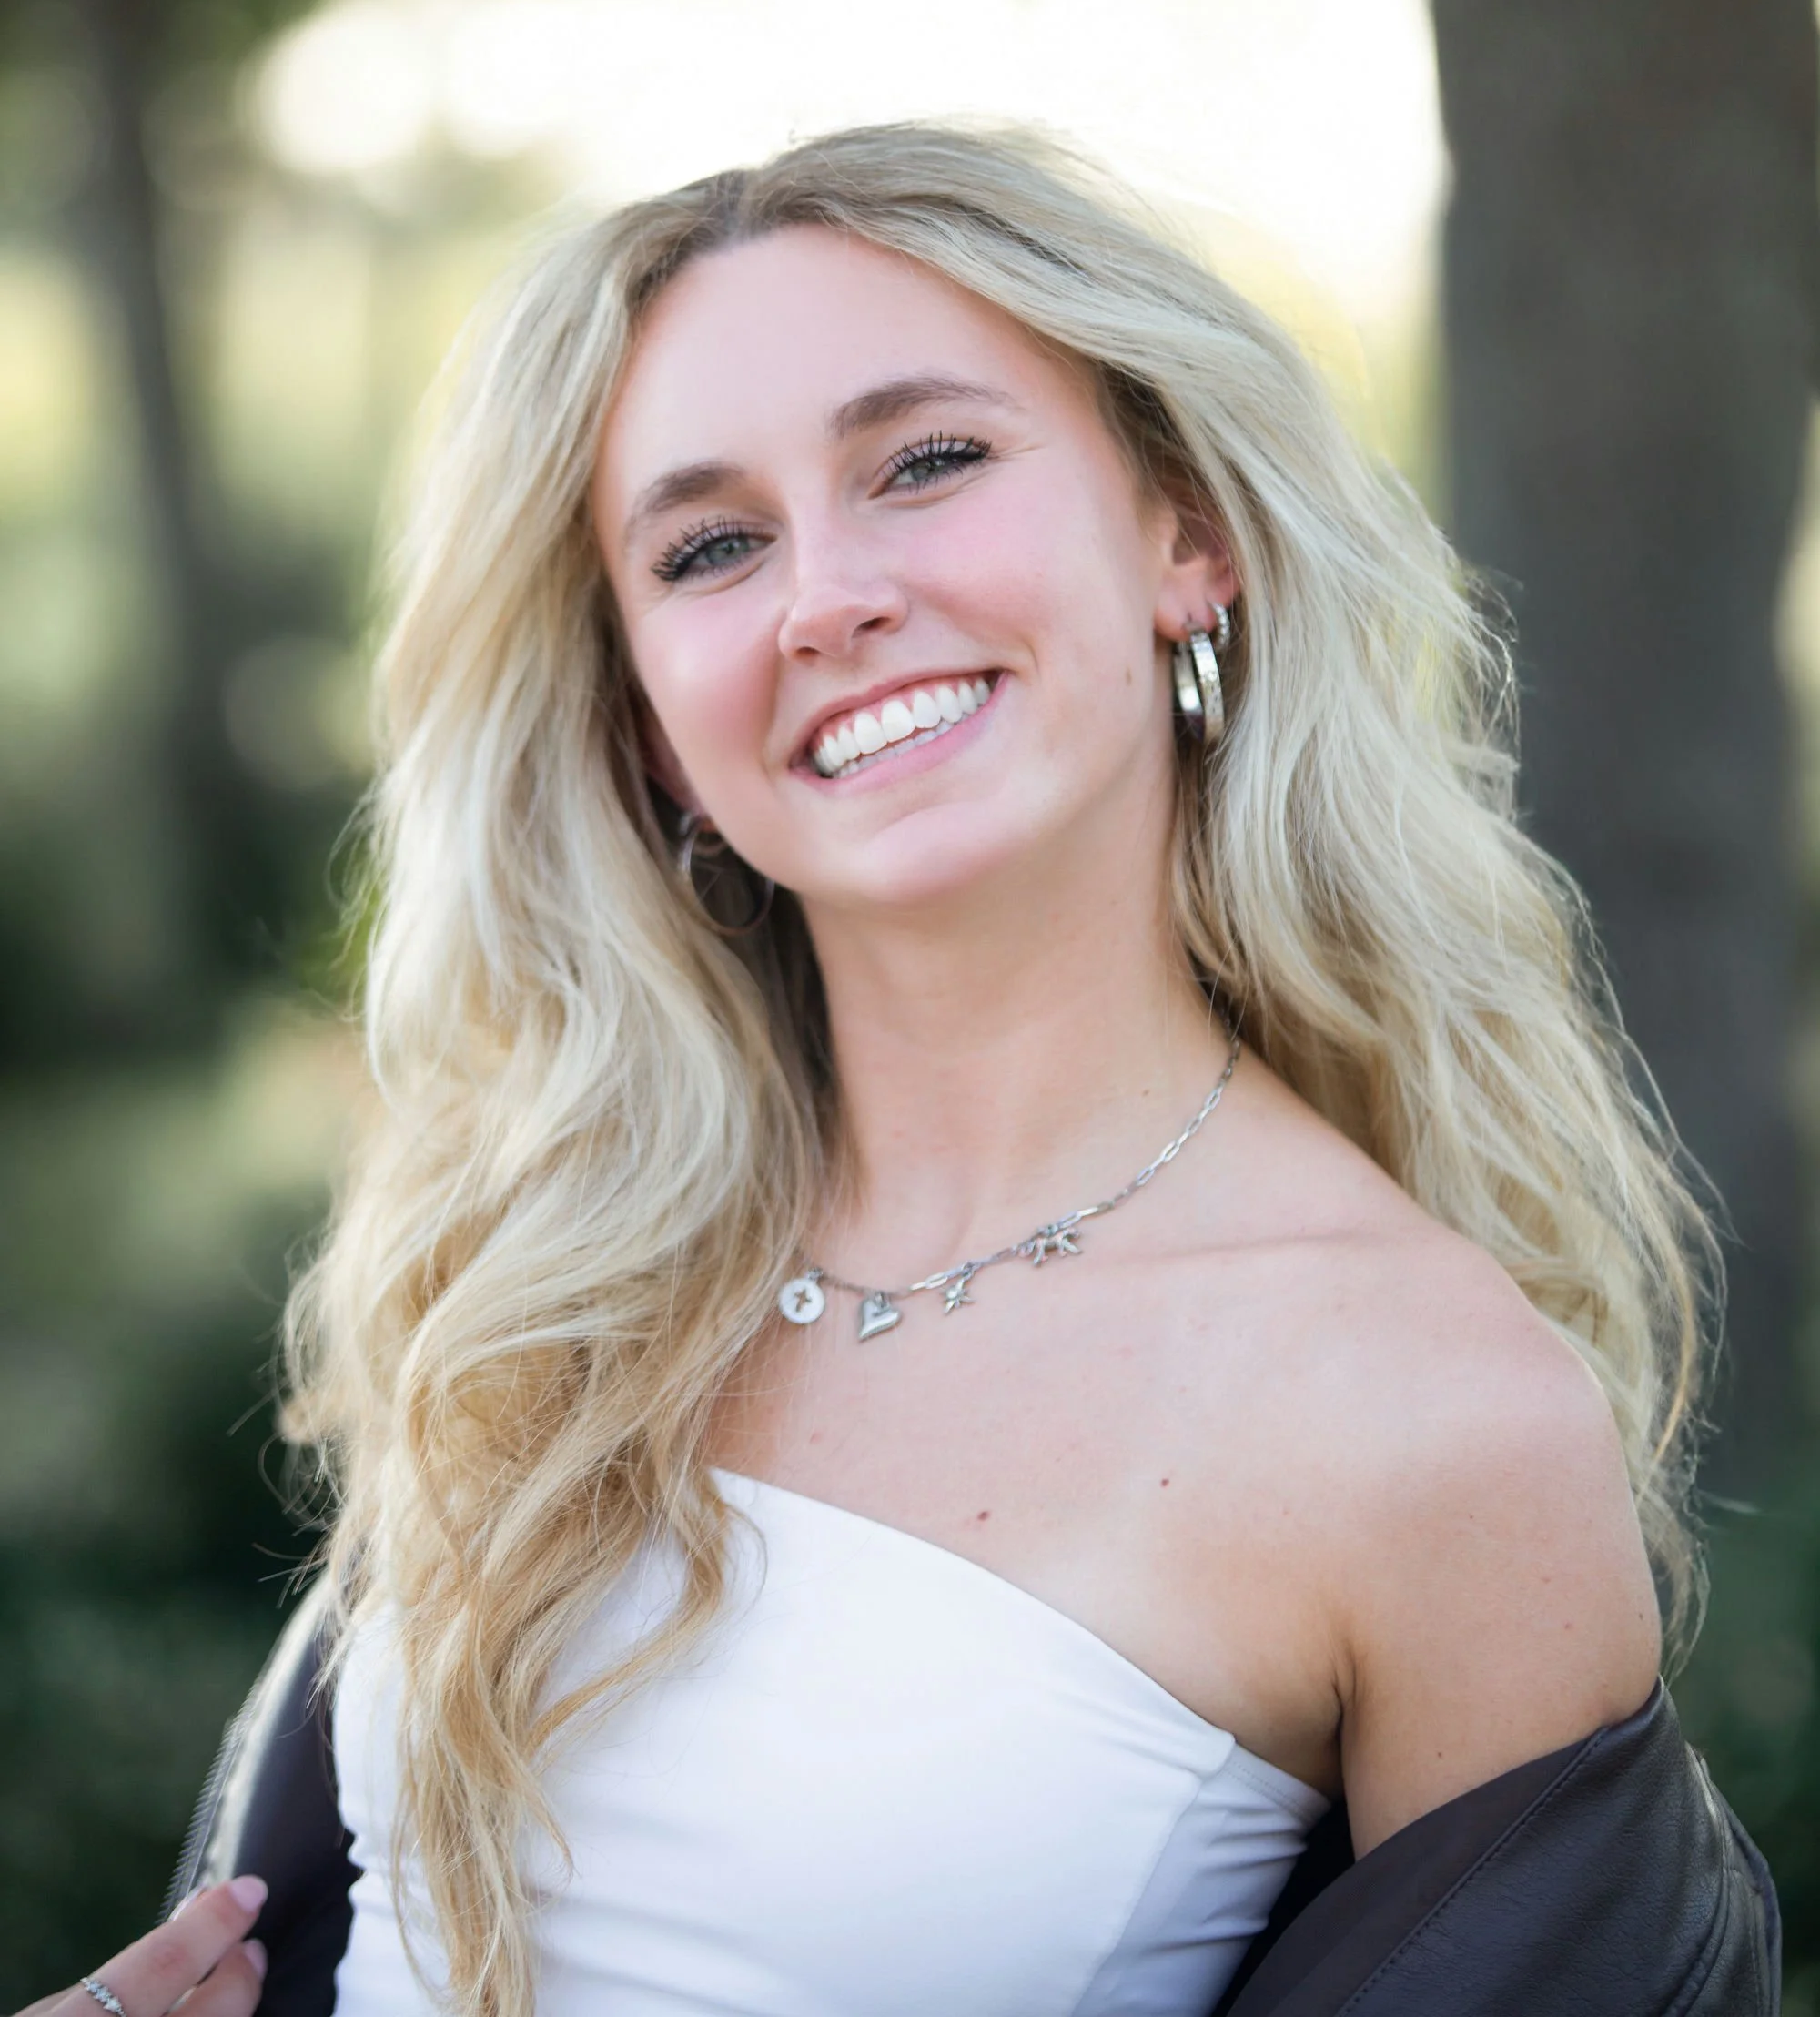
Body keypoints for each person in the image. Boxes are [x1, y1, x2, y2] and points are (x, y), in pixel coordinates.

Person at [41, 124, 1774, 2016]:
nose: (826, 597)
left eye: (927, 461)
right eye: (710, 546)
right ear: (647, 724)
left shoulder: (1433, 1415)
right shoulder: (545, 1267)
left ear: (1182, 536)